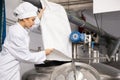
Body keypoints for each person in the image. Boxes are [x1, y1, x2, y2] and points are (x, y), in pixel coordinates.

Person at [0, 2, 53, 80]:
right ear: (25, 19)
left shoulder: (21, 28)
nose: (34, 22)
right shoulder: (16, 33)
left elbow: (32, 25)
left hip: (12, 66)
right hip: (7, 69)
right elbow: (26, 57)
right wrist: (44, 53)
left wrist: (39, 15)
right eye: (32, 19)